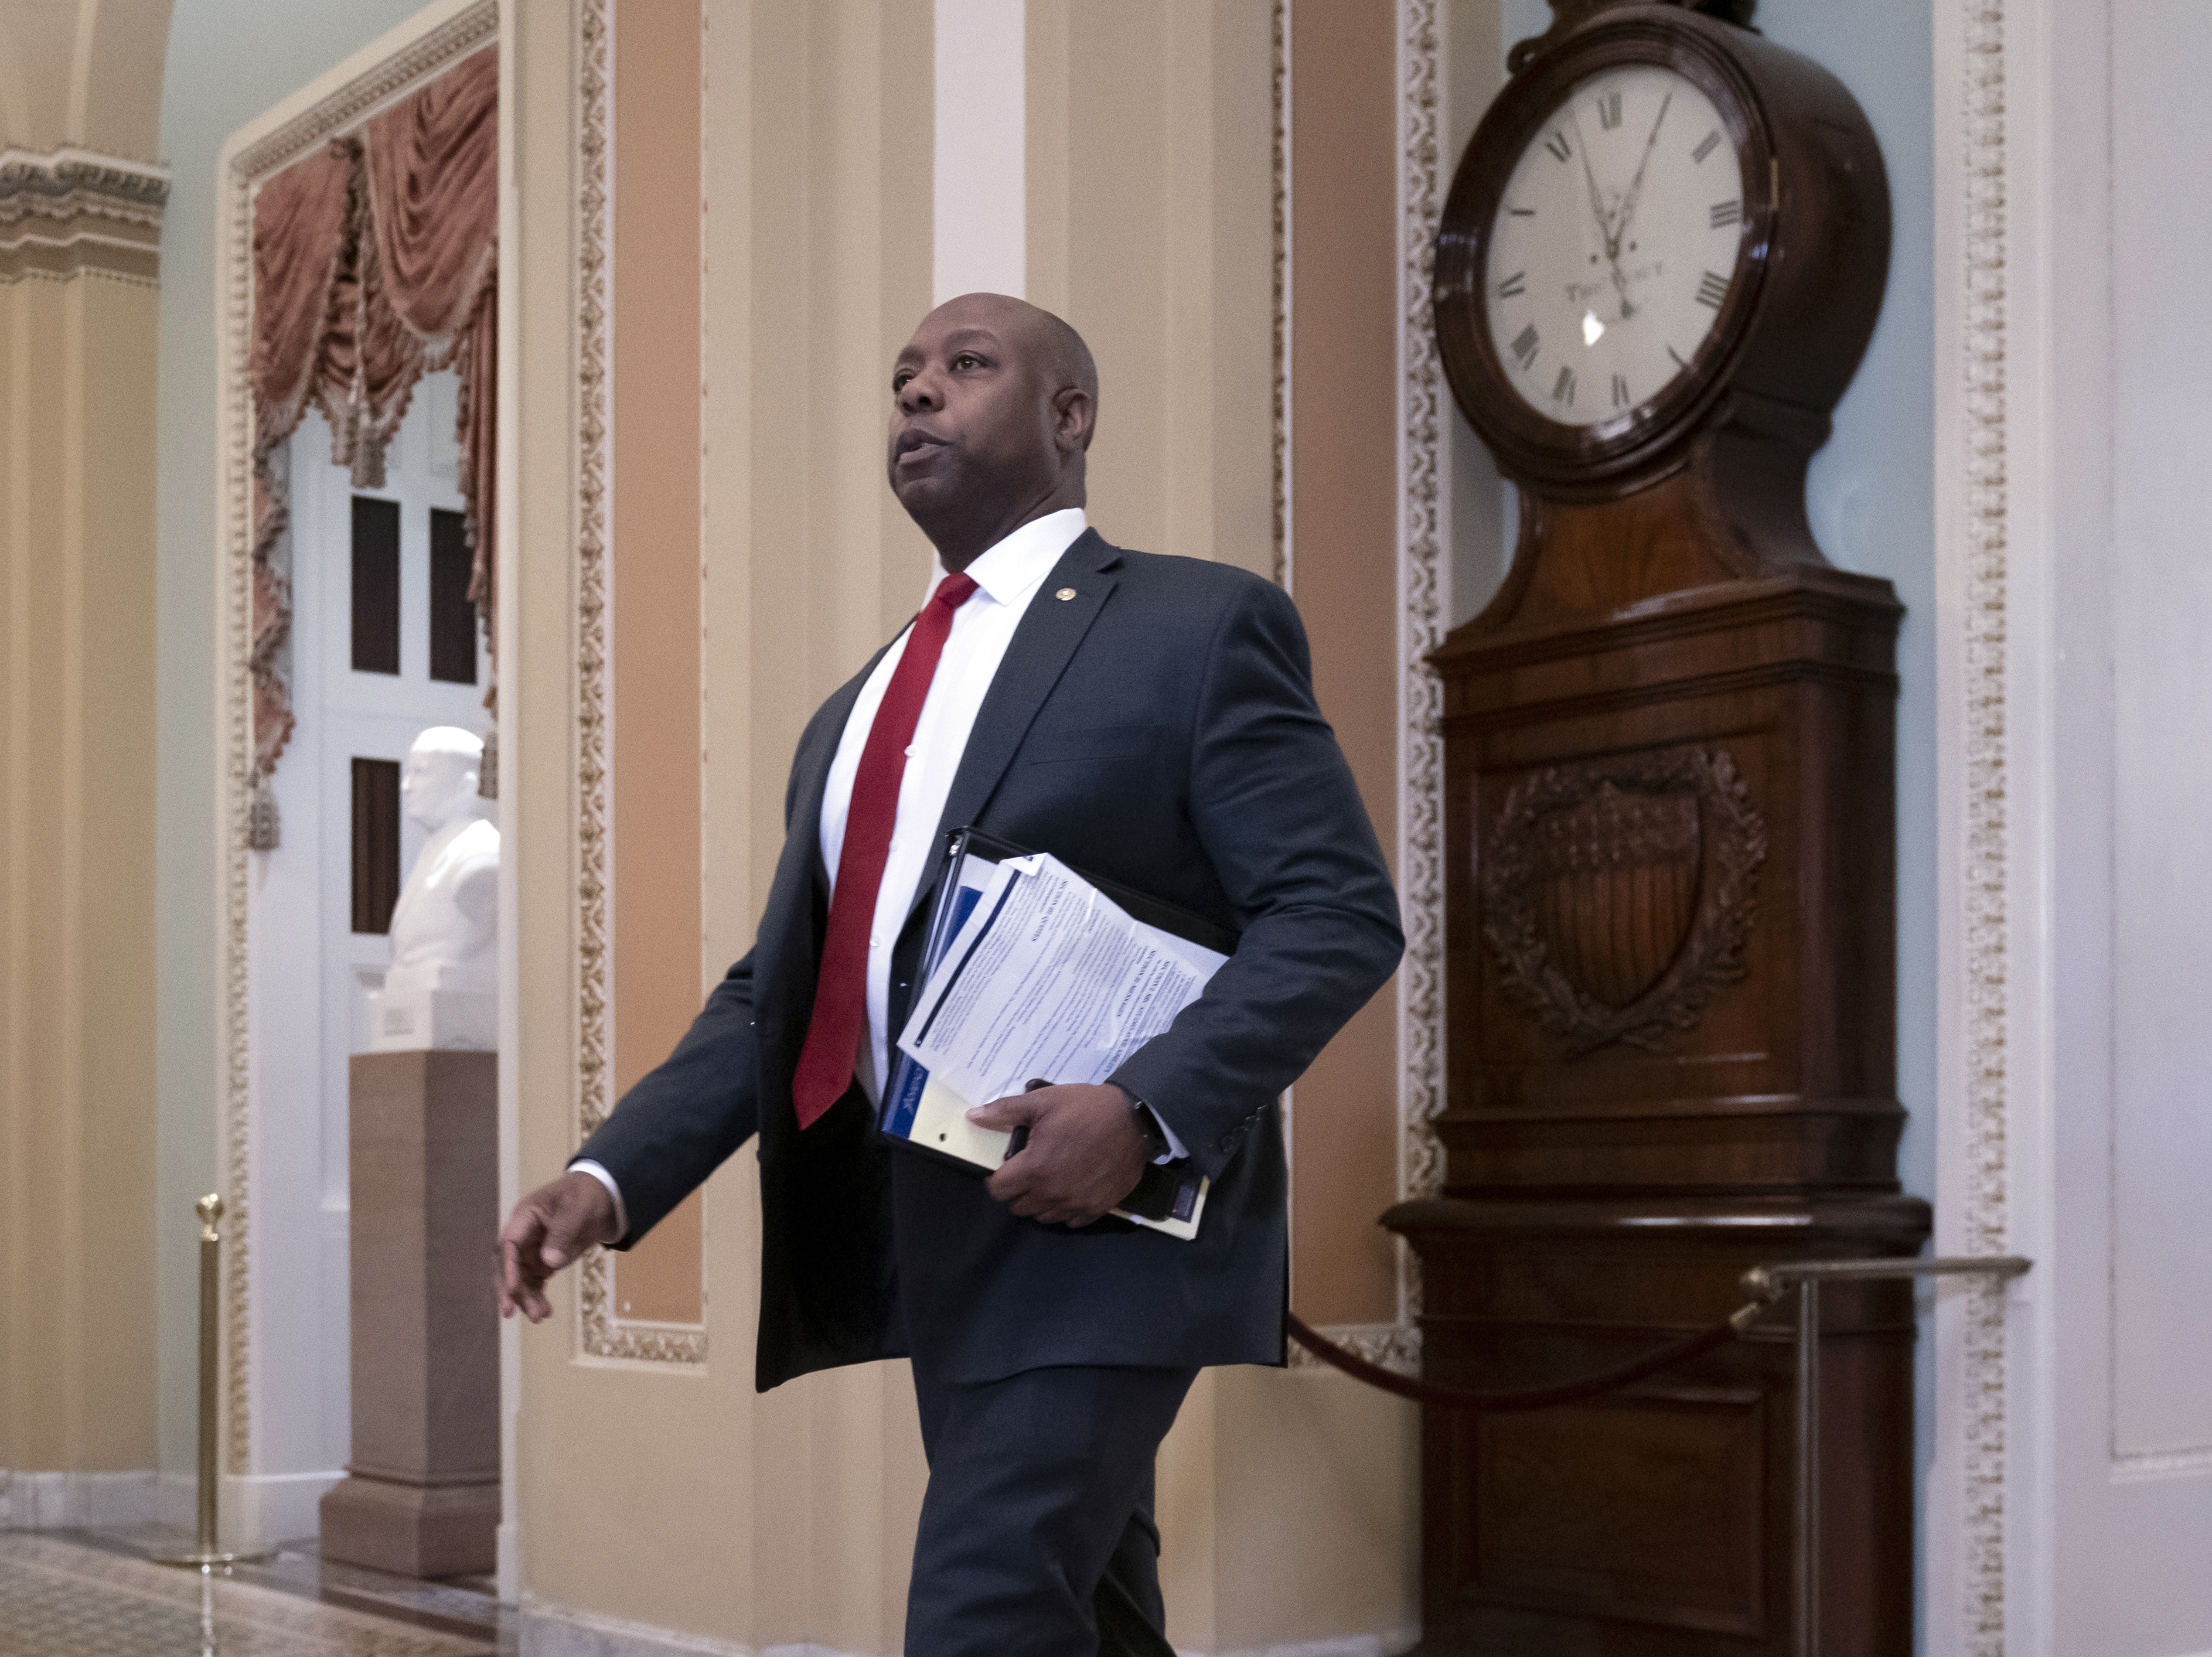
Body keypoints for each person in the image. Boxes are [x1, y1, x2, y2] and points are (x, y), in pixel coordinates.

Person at [497, 292, 1402, 1655]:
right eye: (904, 376)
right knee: (1087, 1609)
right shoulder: (850, 714)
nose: (917, 393)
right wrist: (611, 1175)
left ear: (1069, 415)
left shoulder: (1195, 626)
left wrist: (1143, 1110)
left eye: (965, 367)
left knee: (981, 1612)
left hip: (1109, 1227)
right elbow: (781, 994)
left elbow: (1335, 912)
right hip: (940, 1233)